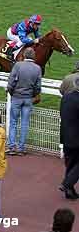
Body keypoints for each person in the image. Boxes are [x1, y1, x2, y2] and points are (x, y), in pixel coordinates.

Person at [6, 48, 41, 156]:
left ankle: (11, 147)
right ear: (33, 56)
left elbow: (11, 81)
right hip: (28, 98)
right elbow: (38, 86)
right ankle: (21, 148)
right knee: (24, 123)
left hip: (16, 97)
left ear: (24, 55)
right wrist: (32, 95)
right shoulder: (37, 68)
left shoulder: (18, 65)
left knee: (13, 122)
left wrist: (12, 92)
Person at [60, 66, 79, 200]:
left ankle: (69, 191)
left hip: (65, 136)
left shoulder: (66, 98)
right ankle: (66, 183)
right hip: (77, 139)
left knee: (71, 164)